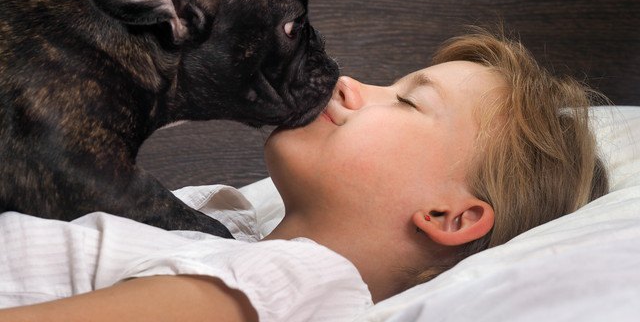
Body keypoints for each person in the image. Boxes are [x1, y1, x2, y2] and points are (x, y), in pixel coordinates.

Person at [0, 28, 609, 322]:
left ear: (451, 216)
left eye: (406, 100)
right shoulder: (228, 229)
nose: (348, 83)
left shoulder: (294, 281)